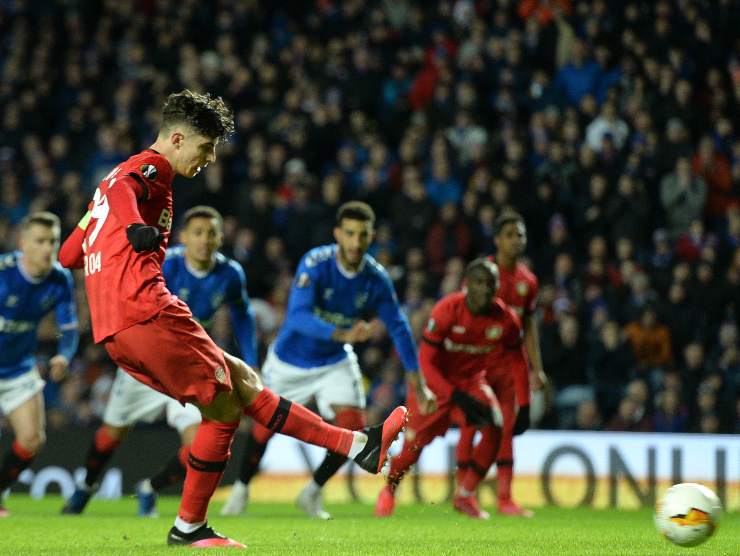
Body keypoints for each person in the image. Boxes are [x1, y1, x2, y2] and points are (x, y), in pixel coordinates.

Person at [57, 90, 409, 548]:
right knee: (224, 409)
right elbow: (127, 192)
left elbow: (69, 254)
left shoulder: (105, 187)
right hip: (145, 310)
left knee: (242, 380)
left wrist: (100, 223)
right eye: (205, 148)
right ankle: (189, 527)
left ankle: (358, 445)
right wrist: (130, 227)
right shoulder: (151, 169)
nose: (208, 160)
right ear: (178, 138)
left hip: (114, 329)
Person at [220, 201, 436, 519]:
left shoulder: (375, 278)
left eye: (363, 235)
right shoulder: (316, 263)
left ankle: (313, 491)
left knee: (355, 428)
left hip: (334, 362)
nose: (356, 242)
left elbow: (398, 326)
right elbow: (297, 317)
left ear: (371, 236)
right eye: (349, 234)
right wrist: (343, 334)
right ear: (337, 234)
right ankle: (240, 489)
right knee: (264, 430)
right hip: (290, 361)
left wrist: (418, 381)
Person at [62, 205, 258, 517]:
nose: (204, 240)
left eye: (211, 233)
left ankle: (150, 488)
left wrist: (251, 360)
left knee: (200, 443)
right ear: (183, 237)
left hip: (187, 367)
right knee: (112, 433)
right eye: (197, 233)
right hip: (148, 361)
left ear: (221, 238)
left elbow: (242, 313)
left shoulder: (231, 274)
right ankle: (86, 486)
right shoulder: (165, 262)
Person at [374, 258, 522, 519]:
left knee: (496, 425)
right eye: (479, 283)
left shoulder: (506, 319)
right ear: (467, 285)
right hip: (432, 386)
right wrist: (454, 395)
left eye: (491, 284)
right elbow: (426, 363)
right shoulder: (447, 310)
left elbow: (518, 358)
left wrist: (526, 401)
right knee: (412, 450)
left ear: (497, 287)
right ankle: (389, 490)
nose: (485, 289)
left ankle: (465, 496)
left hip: (471, 382)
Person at [456, 210, 545, 517]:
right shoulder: (482, 275)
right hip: (478, 364)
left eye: (519, 234)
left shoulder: (528, 281)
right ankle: (464, 493)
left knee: (506, 430)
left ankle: (504, 498)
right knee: (471, 426)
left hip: (508, 365)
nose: (515, 240)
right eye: (509, 235)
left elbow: (529, 326)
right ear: (496, 240)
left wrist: (537, 368)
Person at [0, 212, 79, 517]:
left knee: (32, 439)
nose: (48, 248)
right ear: (23, 244)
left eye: (53, 241)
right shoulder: (4, 273)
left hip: (19, 367)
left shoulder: (60, 278)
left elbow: (69, 328)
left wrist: (64, 355)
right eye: (41, 241)